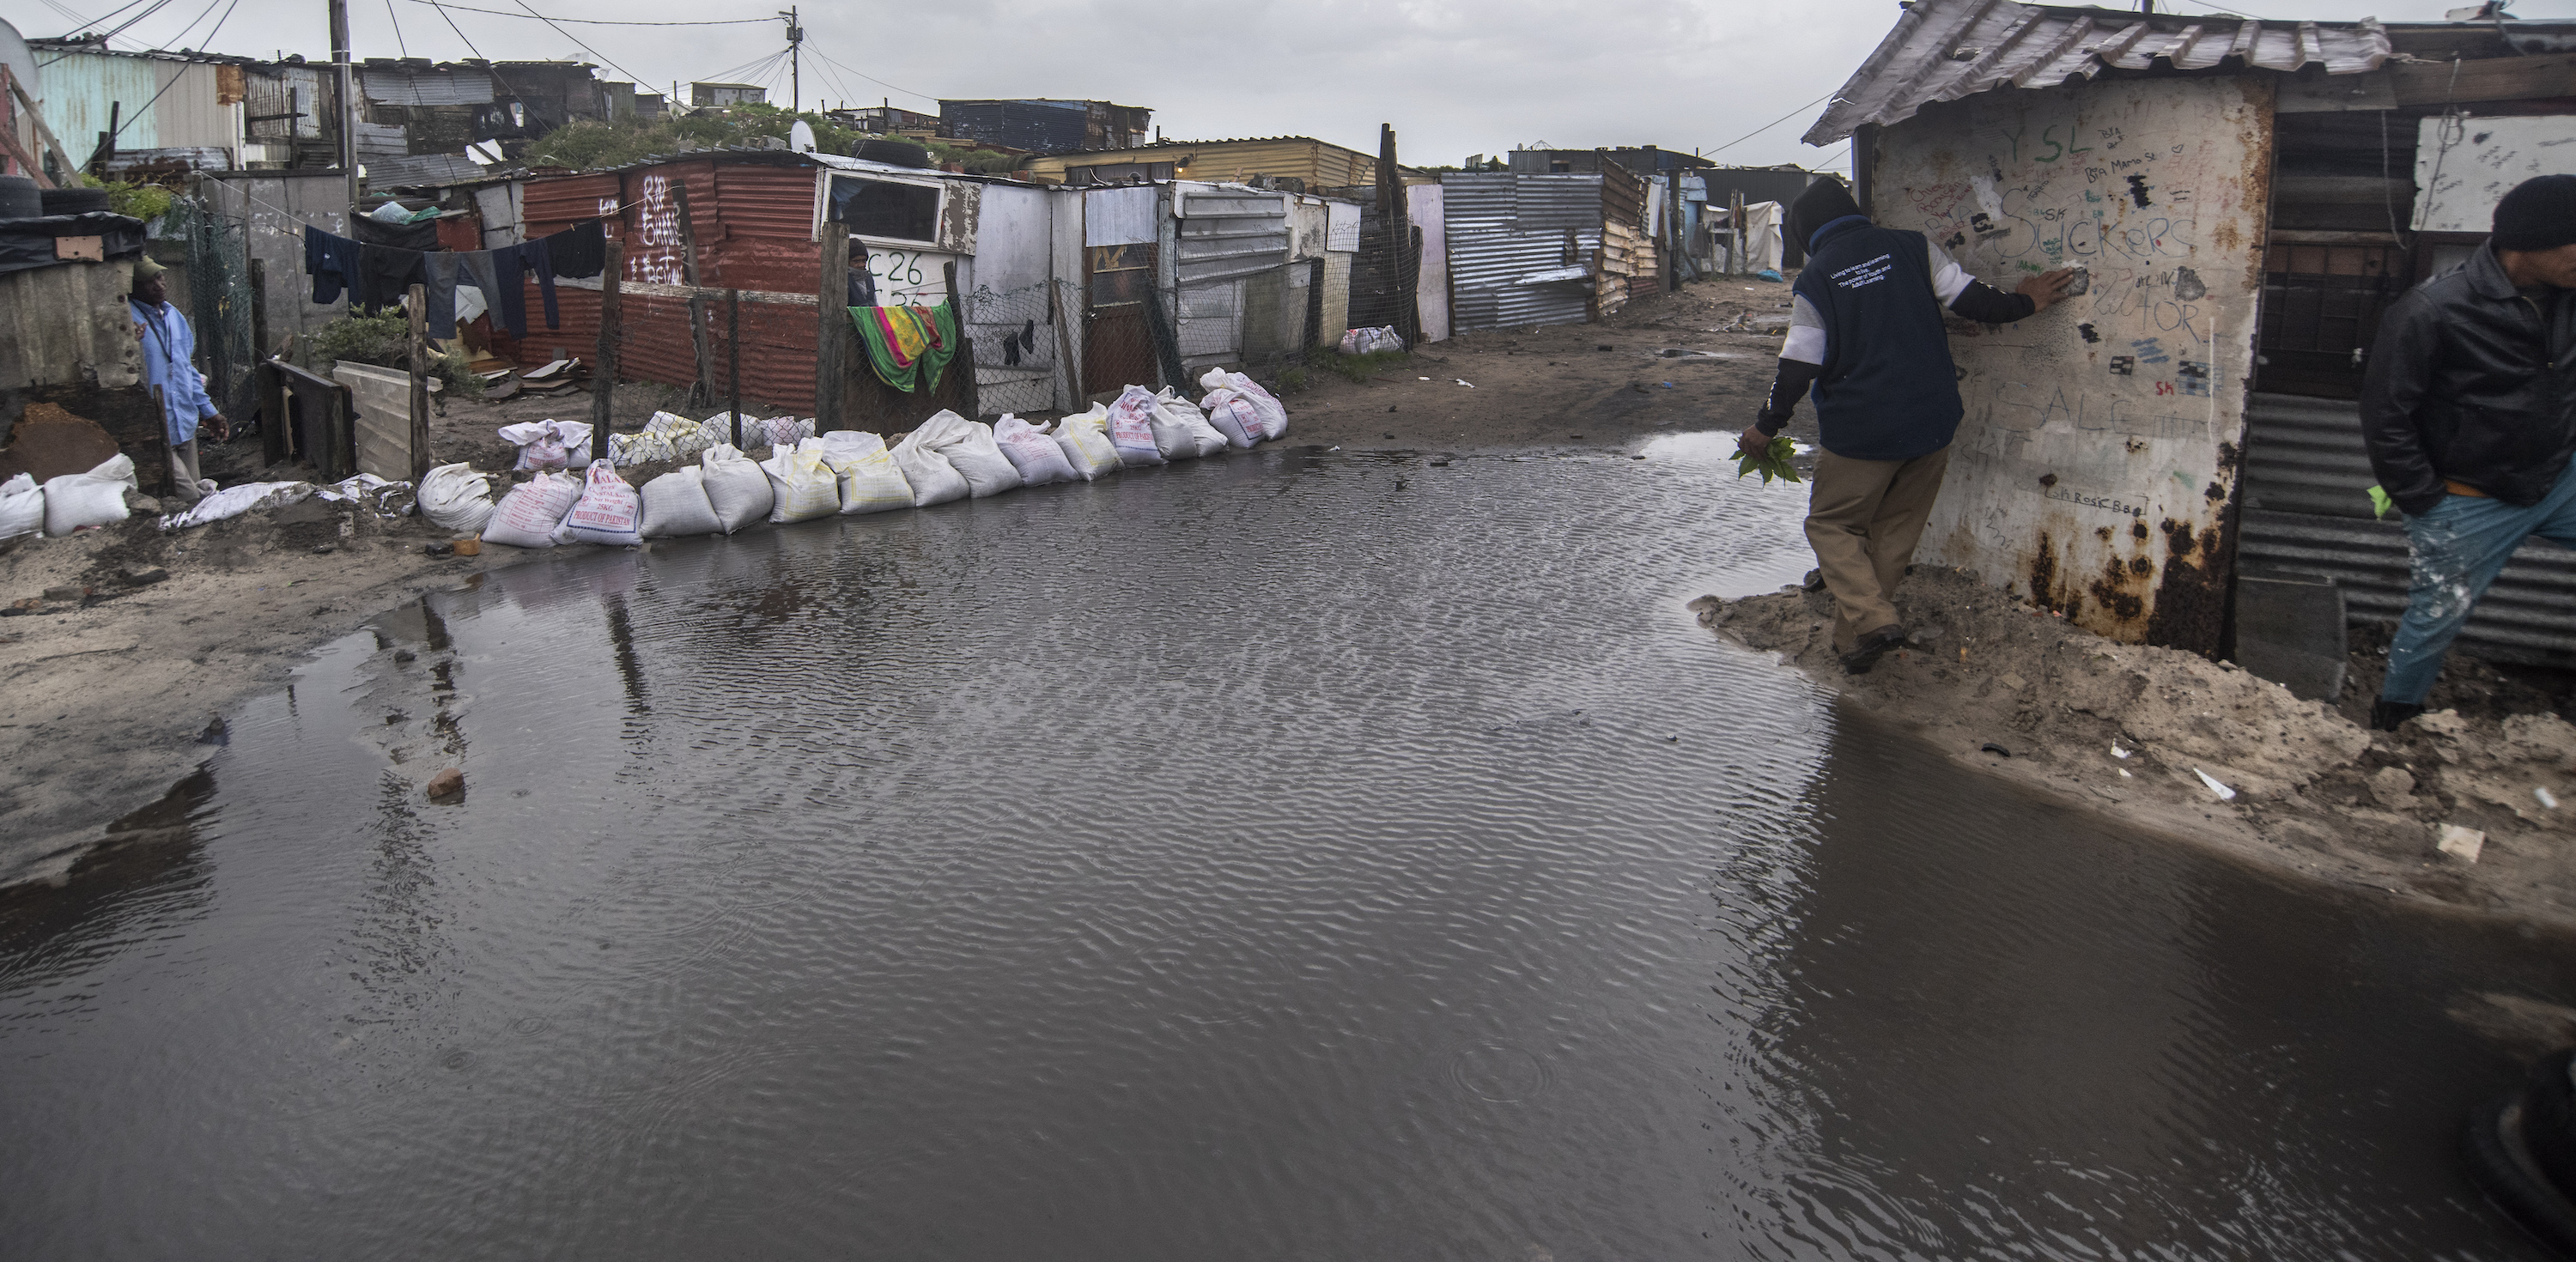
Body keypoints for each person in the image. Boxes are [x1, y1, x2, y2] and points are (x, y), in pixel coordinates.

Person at [1739, 179, 2075, 673]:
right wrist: (2027, 301)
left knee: (1832, 524)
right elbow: (1973, 301)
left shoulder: (1817, 278)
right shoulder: (1913, 247)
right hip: (1932, 422)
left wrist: (1766, 426)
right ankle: (1854, 644)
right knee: (1893, 533)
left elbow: (1799, 365)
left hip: (1862, 432)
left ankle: (1874, 620)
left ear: (1807, 233)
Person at [2360, 173, 2576, 731]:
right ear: (2527, 243)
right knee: (2436, 617)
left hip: (2557, 479)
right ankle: (2394, 725)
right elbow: (2387, 415)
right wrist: (2424, 502)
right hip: (2467, 497)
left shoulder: (2569, 297)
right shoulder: (2433, 309)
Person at [129, 256, 228, 504]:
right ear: (132, 287)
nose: (159, 285)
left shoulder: (175, 317)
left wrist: (208, 411)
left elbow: (187, 370)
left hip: (184, 424)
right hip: (155, 429)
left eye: (160, 277)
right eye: (149, 282)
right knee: (193, 498)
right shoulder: (127, 318)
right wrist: (127, 341)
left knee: (195, 496)